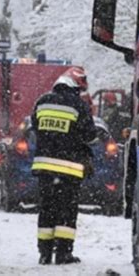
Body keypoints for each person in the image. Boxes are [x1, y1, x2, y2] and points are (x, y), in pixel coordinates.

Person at [31, 67, 97, 265]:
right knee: (66, 212)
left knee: (47, 209)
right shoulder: (79, 105)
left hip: (44, 168)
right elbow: (90, 136)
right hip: (69, 169)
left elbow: (35, 127)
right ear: (76, 86)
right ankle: (63, 254)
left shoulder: (42, 102)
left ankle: (44, 254)